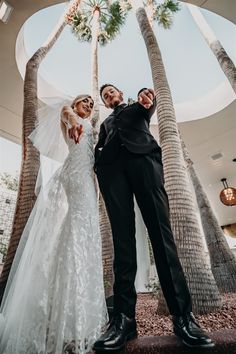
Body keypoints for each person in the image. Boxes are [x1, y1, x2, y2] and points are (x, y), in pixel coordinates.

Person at [92, 84, 214, 351]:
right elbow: (99, 146)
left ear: (121, 94)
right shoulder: (106, 123)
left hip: (144, 163)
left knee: (161, 236)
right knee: (122, 244)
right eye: (105, 96)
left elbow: (150, 101)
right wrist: (99, 164)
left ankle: (183, 316)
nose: (109, 96)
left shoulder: (138, 107)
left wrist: (148, 95)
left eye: (112, 92)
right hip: (113, 174)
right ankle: (124, 320)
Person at [0, 95, 107, 354]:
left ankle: (75, 308)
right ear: (76, 102)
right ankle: (68, 316)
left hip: (85, 177)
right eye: (85, 101)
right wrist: (73, 118)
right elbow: (65, 111)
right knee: (79, 229)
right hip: (76, 175)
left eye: (91, 105)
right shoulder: (69, 114)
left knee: (83, 232)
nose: (88, 106)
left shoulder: (88, 124)